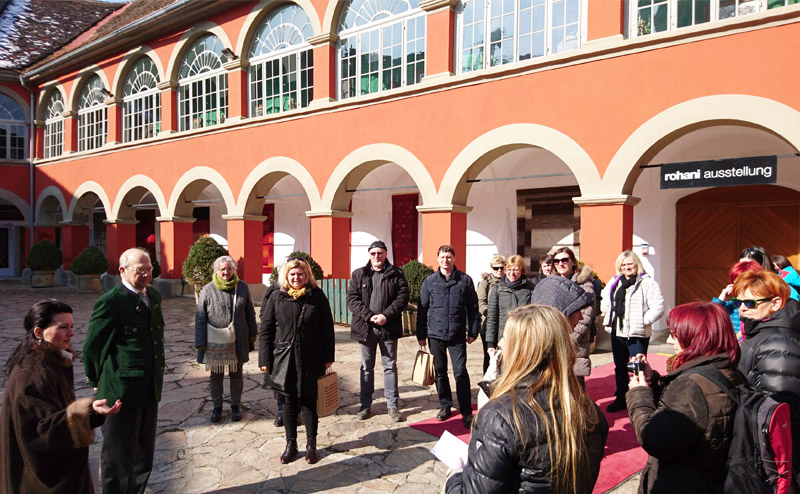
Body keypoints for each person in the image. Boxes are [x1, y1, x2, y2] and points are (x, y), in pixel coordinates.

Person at [444, 305, 608, 494]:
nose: (501, 343)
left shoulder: (499, 417)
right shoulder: (588, 408)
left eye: (506, 337)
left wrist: (455, 476)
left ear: (521, 350)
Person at [1, 300, 121, 493]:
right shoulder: (35, 373)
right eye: (63, 327)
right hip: (41, 480)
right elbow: (42, 430)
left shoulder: (51, 361)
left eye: (72, 326)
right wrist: (87, 412)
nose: (71, 333)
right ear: (38, 332)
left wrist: (90, 411)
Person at [626, 302, 743, 493]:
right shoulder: (728, 370)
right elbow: (693, 413)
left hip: (683, 482)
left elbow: (655, 440)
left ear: (696, 338)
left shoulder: (691, 385)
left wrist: (639, 394)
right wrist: (655, 382)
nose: (670, 342)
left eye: (674, 335)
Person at [83, 247, 164, 494]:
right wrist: (98, 381)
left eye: (149, 269)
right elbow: (92, 348)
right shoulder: (111, 302)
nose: (147, 275)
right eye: (140, 270)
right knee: (118, 457)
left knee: (143, 454)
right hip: (121, 390)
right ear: (122, 271)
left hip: (149, 387)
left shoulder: (152, 295)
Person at [259, 258, 335, 465]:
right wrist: (264, 358)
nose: (296, 278)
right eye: (292, 274)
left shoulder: (316, 296)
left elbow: (327, 328)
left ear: (306, 275)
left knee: (309, 401)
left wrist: (328, 356)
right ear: (286, 275)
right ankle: (291, 444)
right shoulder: (276, 296)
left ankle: (311, 445)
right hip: (285, 359)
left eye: (300, 274)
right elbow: (266, 329)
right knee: (289, 402)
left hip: (311, 357)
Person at [733, 270, 800, 487]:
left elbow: (778, 411)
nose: (742, 307)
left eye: (750, 303)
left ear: (775, 303)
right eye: (738, 302)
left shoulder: (778, 341)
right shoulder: (764, 332)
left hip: (768, 457)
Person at [417, 245, 480, 428]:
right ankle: (444, 405)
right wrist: (421, 334)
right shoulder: (429, 282)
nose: (445, 260)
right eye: (442, 257)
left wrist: (473, 331)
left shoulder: (465, 280)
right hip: (435, 334)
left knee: (460, 371)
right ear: (438, 259)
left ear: (454, 258)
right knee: (440, 372)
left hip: (457, 334)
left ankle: (466, 411)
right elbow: (422, 309)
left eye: (449, 257)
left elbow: (473, 308)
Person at [347, 240, 409, 422]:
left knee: (390, 367)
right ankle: (365, 405)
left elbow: (402, 297)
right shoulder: (359, 274)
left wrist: (386, 316)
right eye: (373, 253)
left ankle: (393, 406)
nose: (376, 256)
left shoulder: (397, 273)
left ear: (385, 254)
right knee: (367, 367)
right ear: (369, 254)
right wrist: (369, 316)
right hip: (366, 328)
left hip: (388, 328)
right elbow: (352, 299)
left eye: (380, 253)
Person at [195, 256, 258, 423]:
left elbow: (250, 312)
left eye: (229, 269)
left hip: (238, 339)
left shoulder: (242, 286)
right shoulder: (208, 289)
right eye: (222, 269)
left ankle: (235, 406)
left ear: (234, 270)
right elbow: (200, 317)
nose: (226, 272)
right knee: (216, 374)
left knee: (236, 374)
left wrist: (252, 334)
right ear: (216, 270)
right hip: (215, 340)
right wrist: (200, 342)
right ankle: (217, 407)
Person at [601, 250, 665, 412]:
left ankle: (645, 398)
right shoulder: (615, 282)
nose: (627, 267)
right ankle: (621, 397)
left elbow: (658, 307)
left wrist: (643, 321)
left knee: (639, 368)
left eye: (630, 264)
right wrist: (607, 311)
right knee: (620, 367)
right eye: (623, 265)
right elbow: (606, 298)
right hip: (618, 332)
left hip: (638, 334)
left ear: (637, 265)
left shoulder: (647, 283)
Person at [531, 274, 596, 389]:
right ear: (561, 315)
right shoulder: (537, 357)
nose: (581, 318)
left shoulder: (552, 348)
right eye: (577, 312)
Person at [551, 247, 597, 382]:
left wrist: (571, 338)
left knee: (576, 385)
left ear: (573, 262)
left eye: (564, 260)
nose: (560, 263)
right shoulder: (552, 283)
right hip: (555, 340)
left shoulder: (584, 284)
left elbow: (587, 315)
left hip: (576, 341)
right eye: (556, 261)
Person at [485, 255, 534, 352]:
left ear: (522, 271)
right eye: (509, 269)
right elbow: (492, 318)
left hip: (525, 338)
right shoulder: (497, 290)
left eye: (516, 270)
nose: (512, 273)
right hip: (503, 338)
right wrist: (490, 343)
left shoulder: (531, 289)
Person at [711, 259, 762, 342]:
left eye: (744, 281)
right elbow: (707, 321)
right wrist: (720, 300)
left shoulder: (763, 305)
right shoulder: (728, 306)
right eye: (736, 282)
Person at [259, 281, 284, 427]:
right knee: (279, 381)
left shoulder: (311, 291)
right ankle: (281, 411)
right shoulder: (273, 292)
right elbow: (264, 318)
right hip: (278, 345)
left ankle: (298, 411)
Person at [476, 254, 506, 373]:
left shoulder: (508, 282)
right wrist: (492, 313)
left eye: (502, 268)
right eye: (496, 268)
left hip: (505, 325)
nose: (499, 271)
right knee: (489, 355)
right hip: (488, 325)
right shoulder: (485, 283)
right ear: (491, 269)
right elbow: (480, 302)